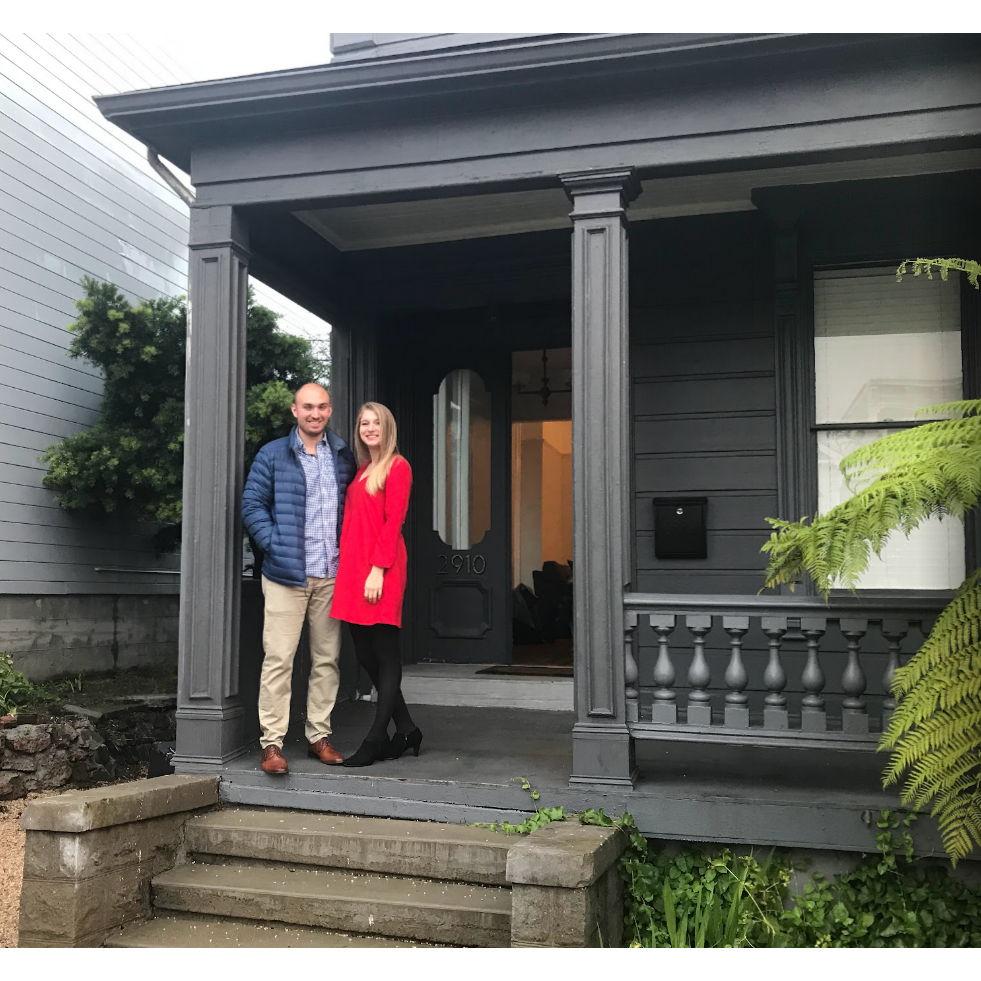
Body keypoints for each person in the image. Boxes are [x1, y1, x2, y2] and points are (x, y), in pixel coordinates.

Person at [242, 383, 356, 775]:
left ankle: (318, 736)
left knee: (327, 660)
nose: (315, 413)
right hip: (285, 574)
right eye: (308, 407)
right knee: (279, 659)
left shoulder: (342, 456)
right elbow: (252, 503)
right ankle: (272, 744)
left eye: (322, 406)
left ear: (330, 410)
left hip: (331, 574)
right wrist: (274, 545)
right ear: (295, 410)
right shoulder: (273, 454)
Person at [330, 401, 420, 767]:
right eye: (364, 423)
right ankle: (408, 728)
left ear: (387, 428)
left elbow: (392, 522)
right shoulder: (363, 470)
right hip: (354, 572)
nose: (369, 428)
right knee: (365, 654)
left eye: (376, 423)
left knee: (384, 653)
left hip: (379, 571)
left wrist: (378, 570)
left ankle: (376, 737)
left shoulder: (397, 467)